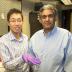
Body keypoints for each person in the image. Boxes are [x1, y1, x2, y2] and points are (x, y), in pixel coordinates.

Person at [29, 4, 72, 72]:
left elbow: (70, 63)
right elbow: (31, 61)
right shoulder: (34, 38)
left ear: (55, 18)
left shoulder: (66, 36)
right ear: (40, 20)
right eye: (44, 17)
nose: (47, 19)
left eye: (50, 16)